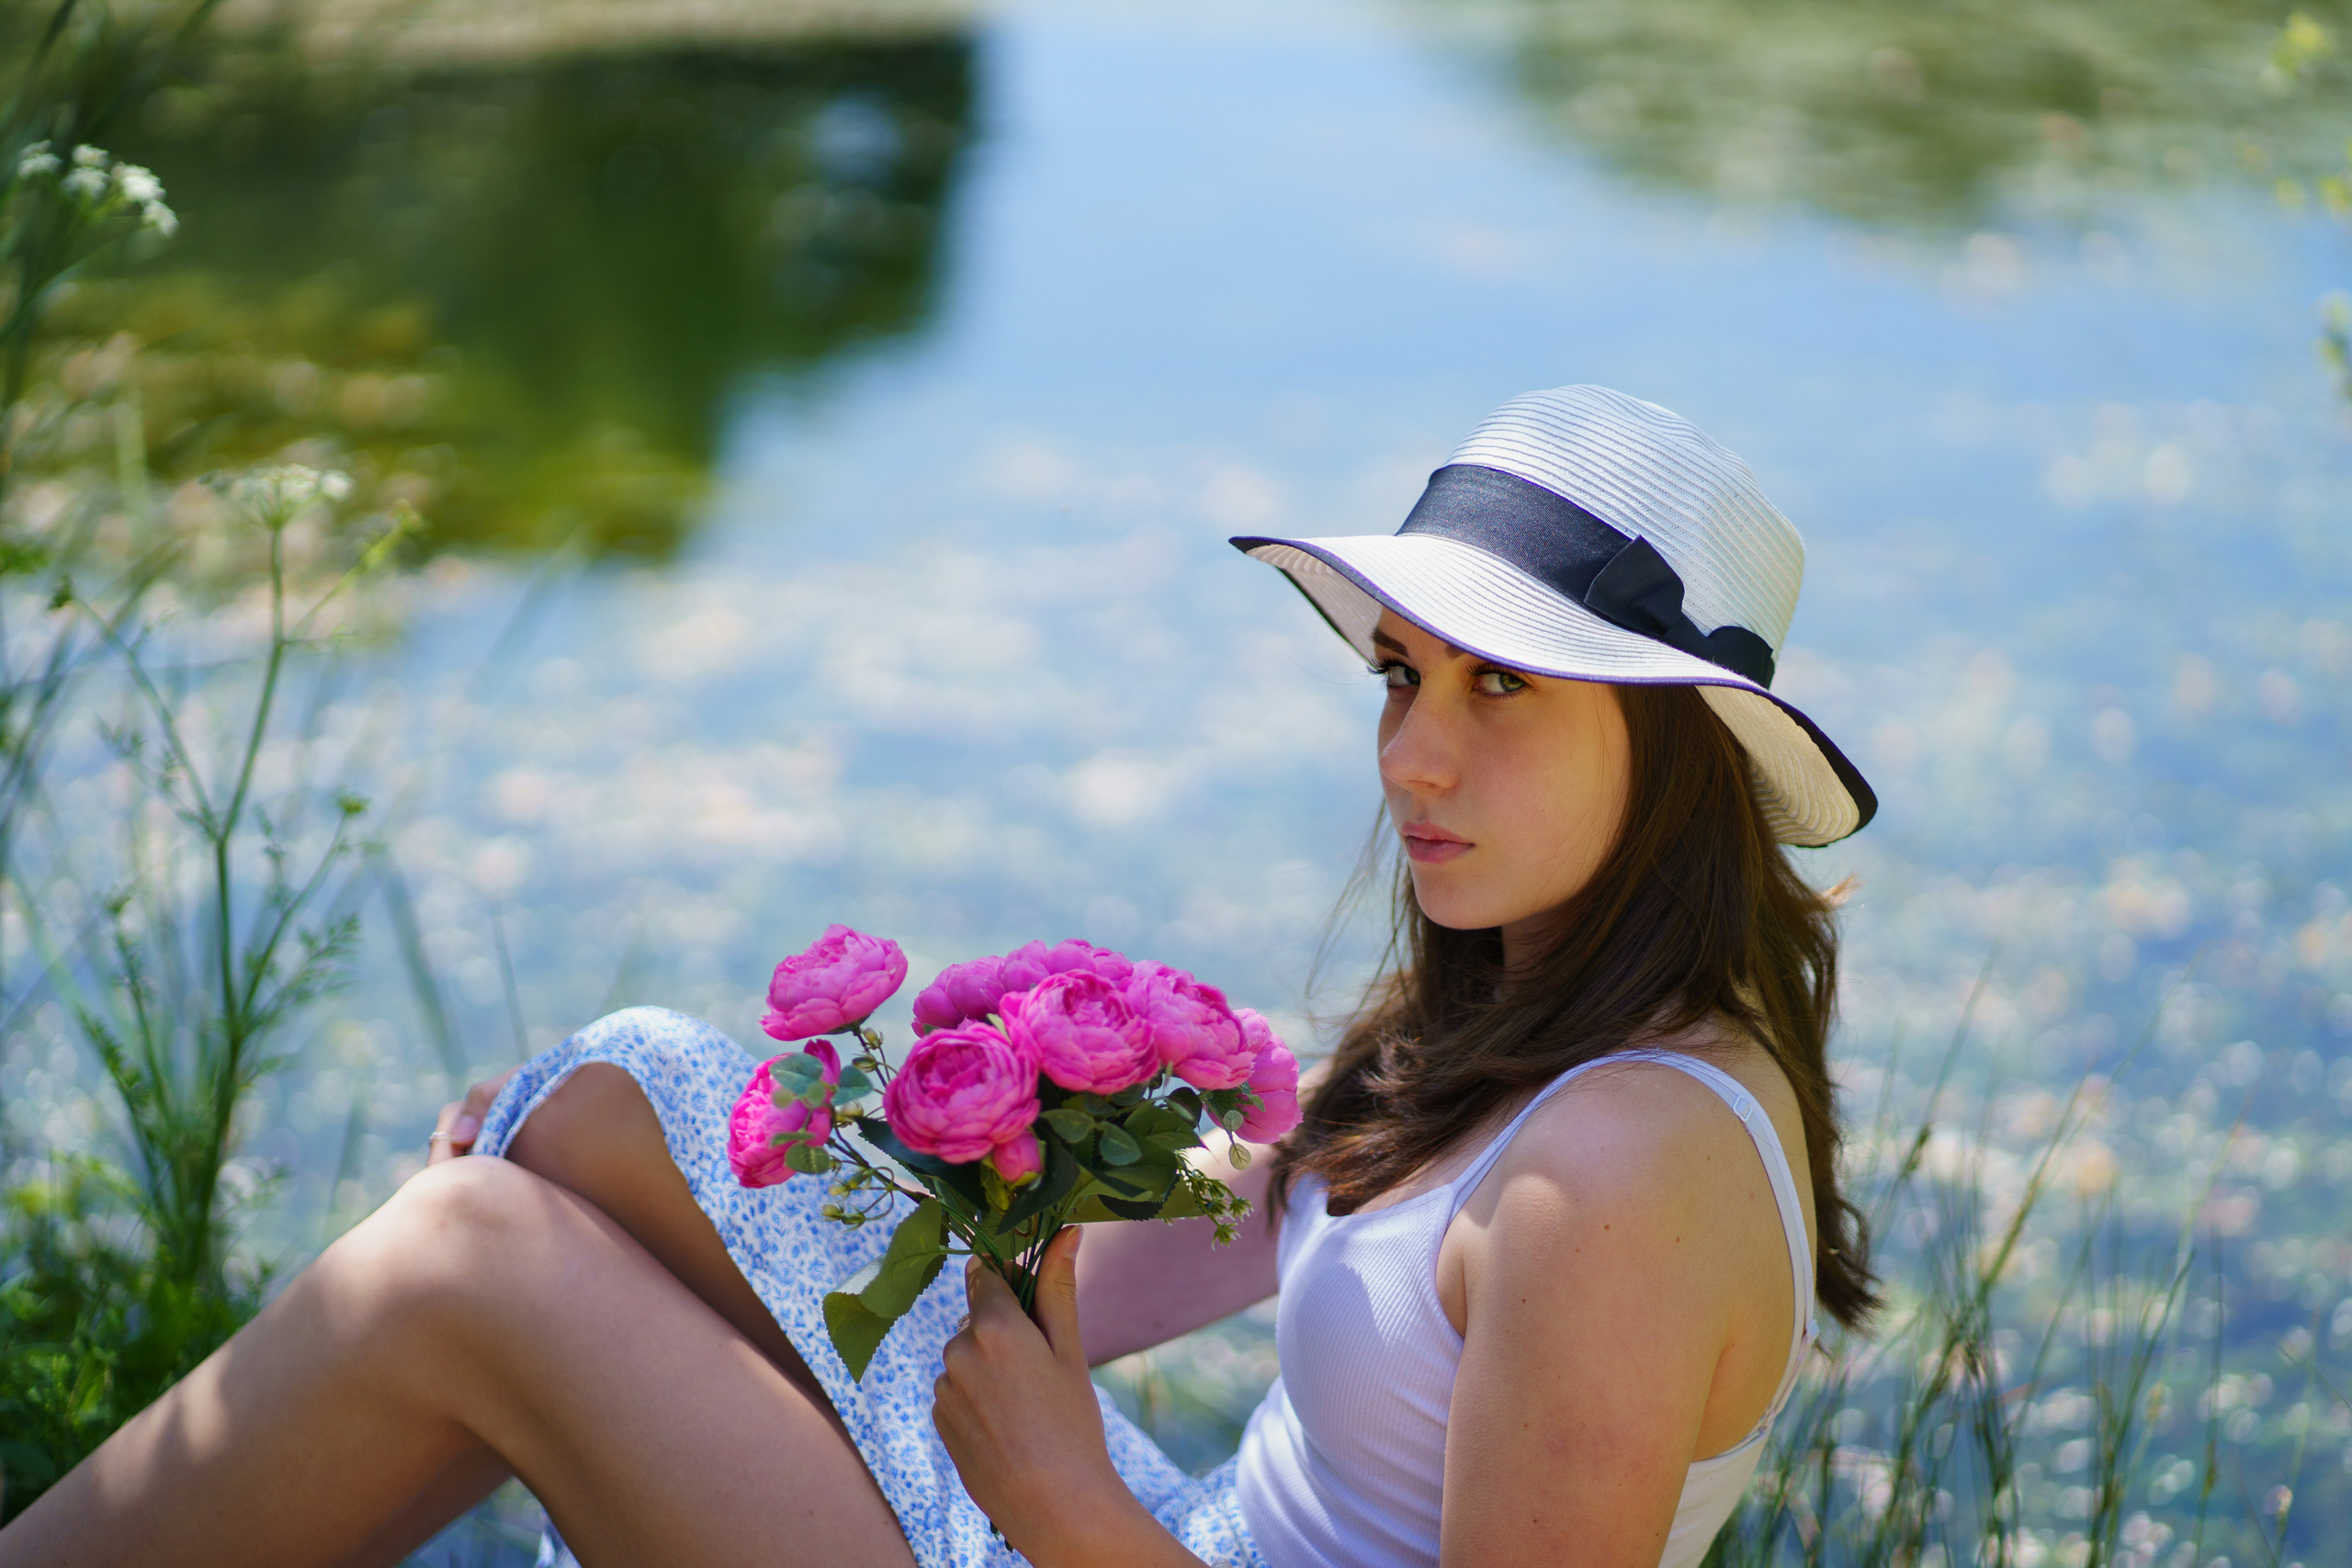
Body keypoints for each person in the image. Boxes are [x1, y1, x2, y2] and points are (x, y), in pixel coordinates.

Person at [0, 384, 1879, 1568]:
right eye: (1400, 673)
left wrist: (1059, 1500)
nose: (1408, 754)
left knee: (464, 1267)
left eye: (1502, 686)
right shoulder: (1534, 1037)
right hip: (1140, 1529)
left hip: (1103, 1542)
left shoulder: (1615, 1179)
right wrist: (931, 1198)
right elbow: (1127, 1262)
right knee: (595, 1107)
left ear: (1678, 742)